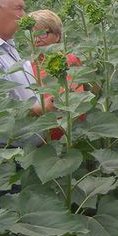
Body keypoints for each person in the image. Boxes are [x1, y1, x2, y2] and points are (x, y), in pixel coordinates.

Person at [29, 9, 84, 141]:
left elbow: (83, 93)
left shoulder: (70, 60)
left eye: (42, 34)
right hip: (46, 142)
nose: (36, 40)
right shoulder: (27, 68)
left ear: (58, 35)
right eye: (32, 34)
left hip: (77, 134)